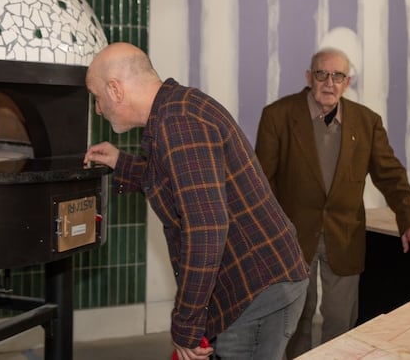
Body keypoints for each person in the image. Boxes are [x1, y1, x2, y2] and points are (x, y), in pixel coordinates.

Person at [83, 42, 310, 360]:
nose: (98, 108)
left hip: (258, 289)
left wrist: (186, 326)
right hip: (259, 281)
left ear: (115, 89)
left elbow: (206, 228)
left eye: (97, 97)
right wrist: (121, 162)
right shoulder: (176, 109)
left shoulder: (178, 124)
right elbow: (180, 181)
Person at [255, 47, 410, 358]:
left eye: (338, 76)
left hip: (344, 235)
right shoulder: (278, 116)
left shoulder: (366, 122)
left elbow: (391, 176)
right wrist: (269, 232)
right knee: (297, 320)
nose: (329, 82)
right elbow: (262, 180)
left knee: (341, 320)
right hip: (292, 237)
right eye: (322, 74)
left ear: (347, 82)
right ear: (310, 77)